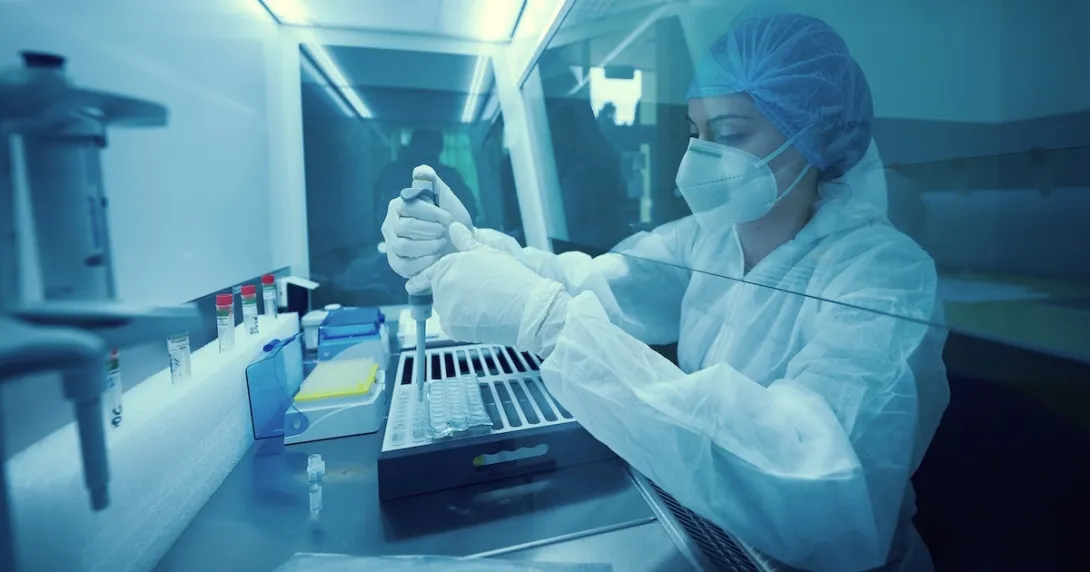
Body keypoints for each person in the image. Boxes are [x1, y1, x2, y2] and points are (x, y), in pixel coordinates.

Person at [381, 13, 949, 572]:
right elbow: (599, 282)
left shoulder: (885, 276)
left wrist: (549, 321)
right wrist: (471, 243)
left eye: (727, 134)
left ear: (810, 131)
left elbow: (821, 490)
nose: (700, 155)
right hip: (715, 527)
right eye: (696, 133)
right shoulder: (709, 241)